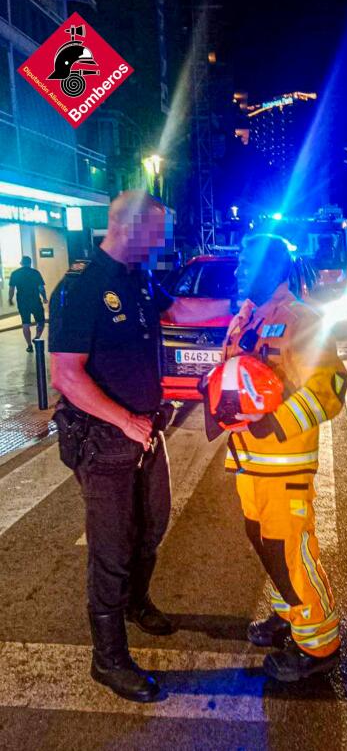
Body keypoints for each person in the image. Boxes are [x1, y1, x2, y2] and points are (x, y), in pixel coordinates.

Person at [49, 191, 227, 702]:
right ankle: (107, 660)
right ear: (129, 227)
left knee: (152, 523)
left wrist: (249, 304)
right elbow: (65, 375)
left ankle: (135, 602)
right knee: (110, 550)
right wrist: (124, 420)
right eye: (155, 233)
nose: (161, 243)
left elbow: (184, 311)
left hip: (145, 431)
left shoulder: (138, 277)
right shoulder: (82, 287)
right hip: (104, 439)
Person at [217, 233, 347, 681]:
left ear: (272, 269)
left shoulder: (302, 319)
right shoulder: (246, 320)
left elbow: (329, 390)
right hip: (249, 462)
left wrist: (275, 423)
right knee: (265, 544)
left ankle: (319, 645)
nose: (236, 271)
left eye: (245, 263)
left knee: (290, 551)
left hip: (285, 463)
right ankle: (288, 614)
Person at [9, 256, 47, 352]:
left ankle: (29, 345)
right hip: (35, 301)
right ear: (30, 263)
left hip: (22, 302)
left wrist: (10, 299)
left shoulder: (15, 273)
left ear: (21, 263)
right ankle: (37, 337)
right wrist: (45, 298)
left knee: (25, 323)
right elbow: (41, 287)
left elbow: (12, 288)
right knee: (41, 321)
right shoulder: (35, 273)